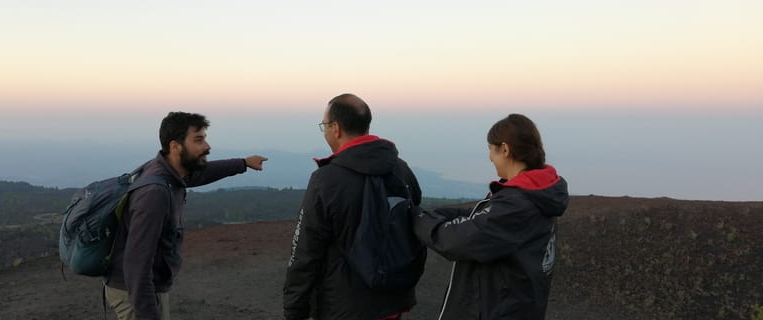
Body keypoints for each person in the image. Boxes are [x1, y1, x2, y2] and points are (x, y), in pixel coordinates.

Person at [104, 111, 268, 320]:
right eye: (198, 140)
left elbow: (200, 174)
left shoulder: (167, 171)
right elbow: (136, 264)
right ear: (175, 146)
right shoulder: (155, 193)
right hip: (134, 292)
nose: (207, 146)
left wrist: (243, 163)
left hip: (141, 286)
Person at [412, 113, 569, 320]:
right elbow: (481, 218)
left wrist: (416, 218)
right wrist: (438, 214)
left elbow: (458, 241)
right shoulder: (537, 193)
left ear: (505, 149)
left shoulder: (517, 206)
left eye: (490, 149)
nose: (489, 157)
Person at [283, 93, 424, 320]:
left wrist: (294, 310)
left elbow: (306, 252)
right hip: (394, 302)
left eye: (324, 125)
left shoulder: (326, 180)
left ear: (336, 128)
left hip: (345, 306)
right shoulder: (400, 169)